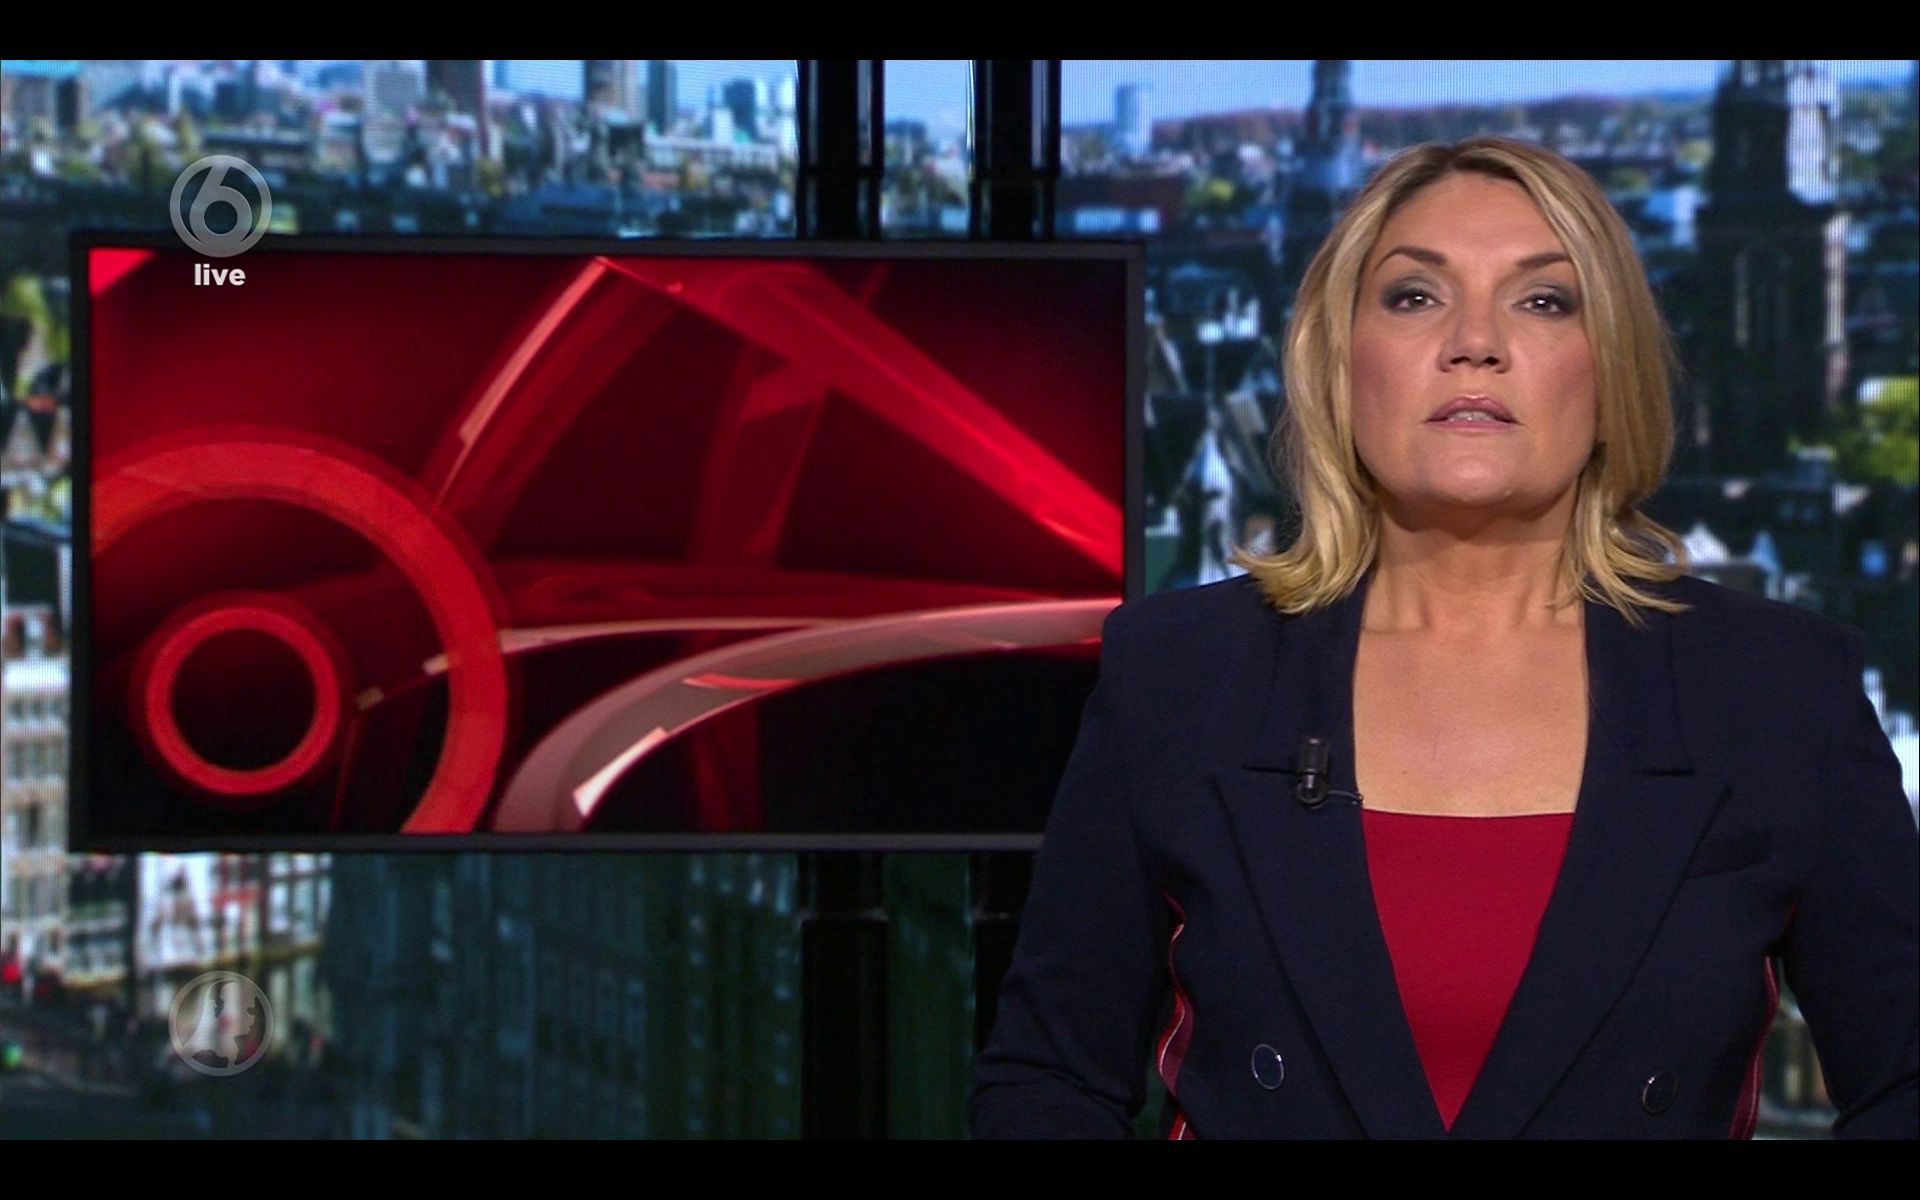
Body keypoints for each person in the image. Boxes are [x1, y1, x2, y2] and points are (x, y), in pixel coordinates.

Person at [967, 136, 1919, 1140]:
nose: (1475, 341)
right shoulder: (1178, 673)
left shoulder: (1780, 688)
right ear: (1341, 365)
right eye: (1415, 296)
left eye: (1543, 300)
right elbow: (1047, 1079)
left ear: (1612, 377)